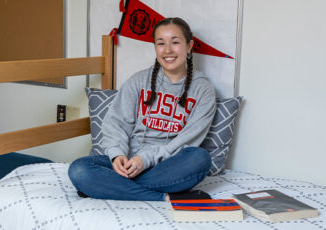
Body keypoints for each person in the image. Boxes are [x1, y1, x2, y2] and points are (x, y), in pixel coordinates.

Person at [68, 17, 216, 201]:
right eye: (161, 43)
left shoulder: (203, 90)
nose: (168, 50)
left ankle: (107, 187)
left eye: (175, 42)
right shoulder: (138, 81)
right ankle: (164, 197)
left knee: (199, 158)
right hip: (128, 163)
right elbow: (116, 124)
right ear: (155, 47)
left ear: (189, 46)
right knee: (79, 169)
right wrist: (117, 156)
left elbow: (188, 141)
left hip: (168, 167)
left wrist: (145, 159)